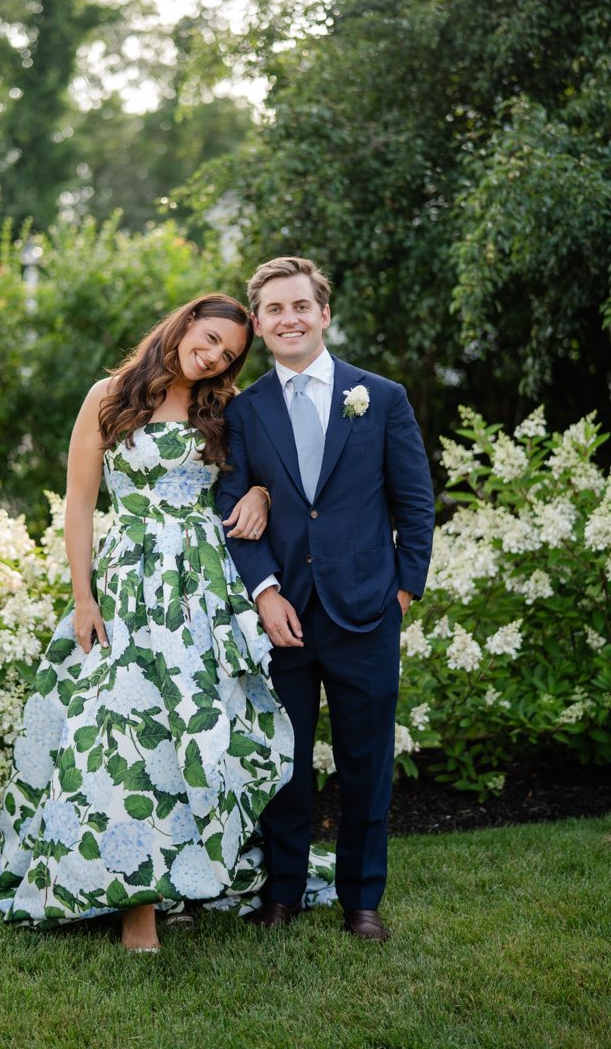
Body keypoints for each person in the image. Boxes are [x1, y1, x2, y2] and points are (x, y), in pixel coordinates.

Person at [0, 294, 301, 952]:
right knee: (128, 731)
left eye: (228, 353)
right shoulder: (110, 394)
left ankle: (183, 874)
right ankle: (136, 908)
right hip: (131, 585)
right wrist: (83, 597)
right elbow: (79, 501)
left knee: (193, 728)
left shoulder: (227, 407)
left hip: (203, 587)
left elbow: (270, 478)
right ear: (186, 323)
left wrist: (261, 493)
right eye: (210, 338)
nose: (213, 356)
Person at [216, 257, 435, 942]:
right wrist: (265, 592)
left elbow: (416, 503)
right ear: (258, 323)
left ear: (324, 314)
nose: (288, 320)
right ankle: (282, 890)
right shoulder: (244, 411)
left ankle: (361, 898)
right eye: (274, 310)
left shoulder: (381, 397)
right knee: (285, 762)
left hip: (367, 610)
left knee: (366, 763)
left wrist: (403, 589)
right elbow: (233, 506)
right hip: (284, 618)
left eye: (300, 307)